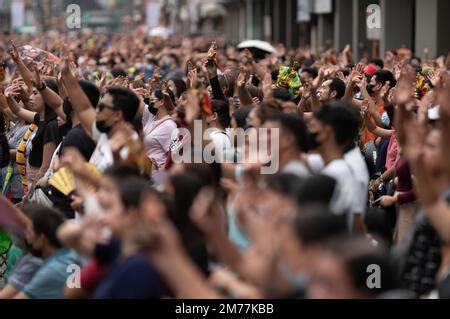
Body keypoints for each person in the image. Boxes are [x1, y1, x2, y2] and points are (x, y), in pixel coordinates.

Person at [13, 206, 82, 299]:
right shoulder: (75, 253)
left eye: (29, 232)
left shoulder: (49, 271)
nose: (27, 239)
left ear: (42, 238)